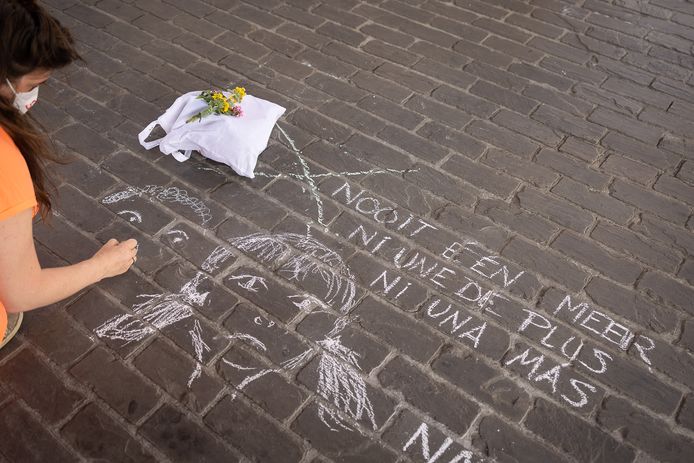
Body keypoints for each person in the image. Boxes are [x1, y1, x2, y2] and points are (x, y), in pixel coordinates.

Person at [0, 0, 138, 349]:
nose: (34, 94)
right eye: (35, 82)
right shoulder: (4, 163)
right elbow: (22, 292)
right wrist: (102, 266)